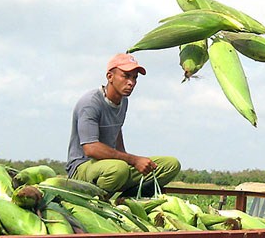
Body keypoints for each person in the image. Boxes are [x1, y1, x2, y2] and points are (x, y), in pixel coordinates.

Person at [66, 53, 181, 196]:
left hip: (113, 166)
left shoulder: (123, 101)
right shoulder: (90, 103)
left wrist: (131, 160)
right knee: (119, 169)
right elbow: (90, 148)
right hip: (83, 168)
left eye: (134, 78)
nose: (131, 82)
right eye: (126, 76)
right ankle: (97, 203)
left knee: (170, 165)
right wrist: (134, 160)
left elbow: (117, 134)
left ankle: (126, 200)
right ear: (110, 77)